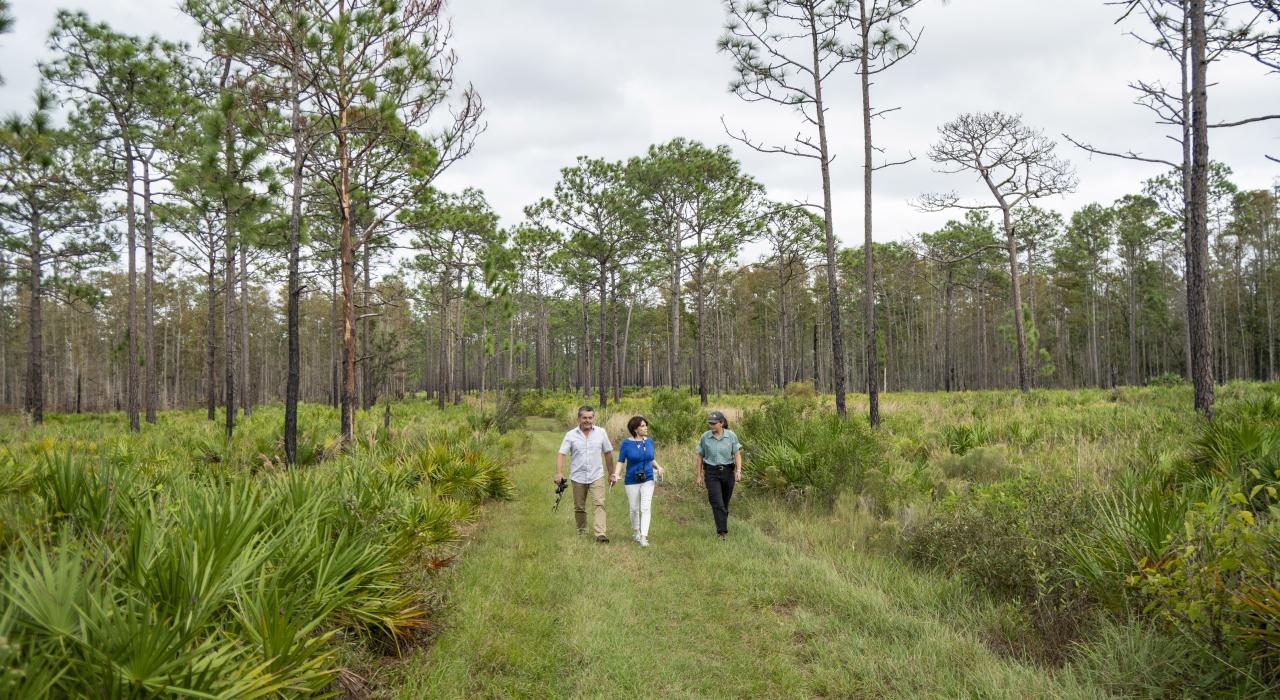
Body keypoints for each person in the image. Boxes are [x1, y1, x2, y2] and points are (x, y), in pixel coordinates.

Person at [554, 405, 614, 542]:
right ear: (579, 418)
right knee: (579, 507)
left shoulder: (601, 432)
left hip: (596, 475)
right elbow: (561, 454)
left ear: (593, 418)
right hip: (578, 476)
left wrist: (611, 473)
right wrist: (559, 473)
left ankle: (600, 534)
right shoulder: (570, 435)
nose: (587, 420)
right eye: (584, 418)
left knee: (599, 504)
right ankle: (582, 531)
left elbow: (608, 453)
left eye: (590, 418)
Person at [612, 416, 665, 547]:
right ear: (635, 429)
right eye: (642, 426)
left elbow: (650, 458)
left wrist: (658, 467)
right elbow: (621, 461)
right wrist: (616, 474)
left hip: (648, 478)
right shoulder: (626, 443)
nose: (646, 427)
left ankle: (643, 537)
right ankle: (636, 531)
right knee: (634, 508)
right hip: (631, 479)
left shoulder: (649, 441)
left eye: (646, 425)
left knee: (646, 507)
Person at [694, 410, 742, 540]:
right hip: (711, 473)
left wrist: (738, 471)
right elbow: (700, 456)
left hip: (727, 472)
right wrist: (698, 476)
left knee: (724, 503)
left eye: (714, 423)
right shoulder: (705, 437)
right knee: (717, 503)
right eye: (709, 423)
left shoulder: (731, 436)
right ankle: (722, 533)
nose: (711, 425)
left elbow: (737, 454)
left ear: (721, 423)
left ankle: (721, 523)